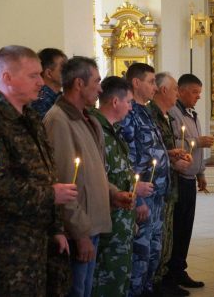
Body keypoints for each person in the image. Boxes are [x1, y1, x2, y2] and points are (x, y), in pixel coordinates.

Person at [0, 45, 77, 296]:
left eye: (40, 74)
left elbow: (44, 172)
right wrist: (51, 196)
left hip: (37, 243)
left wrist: (56, 228)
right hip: (5, 252)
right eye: (33, 75)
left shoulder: (30, 118)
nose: (41, 82)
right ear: (7, 78)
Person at [44, 56, 115, 297]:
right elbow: (64, 181)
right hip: (79, 228)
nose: (100, 88)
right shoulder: (58, 121)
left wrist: (114, 193)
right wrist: (80, 233)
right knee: (77, 290)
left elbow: (92, 171)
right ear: (79, 84)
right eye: (96, 81)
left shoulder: (86, 118)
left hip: (91, 222)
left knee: (85, 289)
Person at [90, 76, 153, 297]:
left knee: (119, 279)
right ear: (115, 102)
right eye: (128, 102)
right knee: (105, 281)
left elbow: (122, 172)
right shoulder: (96, 129)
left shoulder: (113, 130)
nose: (131, 107)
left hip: (121, 219)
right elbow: (96, 176)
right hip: (108, 220)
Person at [118, 63, 171, 297]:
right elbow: (127, 158)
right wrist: (136, 196)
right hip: (142, 197)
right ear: (136, 83)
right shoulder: (128, 115)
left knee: (153, 253)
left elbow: (152, 150)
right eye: (151, 82)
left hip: (156, 194)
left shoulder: (145, 111)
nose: (155, 86)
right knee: (139, 255)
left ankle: (148, 289)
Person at [166, 74, 214, 292]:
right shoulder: (174, 113)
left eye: (199, 92)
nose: (198, 96)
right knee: (177, 227)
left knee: (186, 227)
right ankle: (171, 272)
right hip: (178, 178)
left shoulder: (192, 114)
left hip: (190, 176)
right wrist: (197, 142)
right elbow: (176, 142)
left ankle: (180, 268)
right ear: (182, 90)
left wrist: (200, 173)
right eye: (194, 92)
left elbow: (196, 148)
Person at [148, 72, 192, 296]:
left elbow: (161, 149)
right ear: (164, 90)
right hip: (156, 187)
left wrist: (173, 155)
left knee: (167, 235)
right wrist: (172, 160)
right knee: (158, 237)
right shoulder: (150, 115)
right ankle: (158, 281)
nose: (178, 93)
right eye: (175, 89)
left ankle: (165, 277)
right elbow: (149, 153)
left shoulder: (165, 116)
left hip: (168, 185)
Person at [31, 48, 68, 119]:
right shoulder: (40, 101)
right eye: (63, 68)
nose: (68, 72)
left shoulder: (60, 96)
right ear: (49, 73)